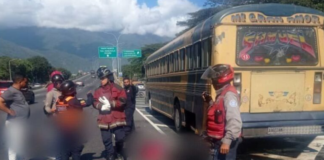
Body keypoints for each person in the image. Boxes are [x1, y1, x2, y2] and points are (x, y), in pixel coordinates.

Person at [201, 64, 242, 160]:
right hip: (218, 140)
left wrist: (226, 142)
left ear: (220, 80)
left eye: (213, 80)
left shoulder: (229, 95)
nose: (212, 83)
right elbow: (219, 112)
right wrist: (209, 101)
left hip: (224, 140)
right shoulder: (222, 94)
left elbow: (234, 120)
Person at [93, 67, 127, 160]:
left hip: (117, 117)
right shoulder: (97, 91)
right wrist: (100, 106)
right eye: (100, 79)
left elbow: (123, 101)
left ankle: (119, 151)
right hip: (104, 118)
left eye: (103, 78)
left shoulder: (118, 88)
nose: (101, 81)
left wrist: (112, 103)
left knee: (120, 138)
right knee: (106, 140)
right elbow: (94, 102)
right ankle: (111, 154)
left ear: (108, 78)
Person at [53, 80, 93, 160]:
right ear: (71, 90)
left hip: (63, 130)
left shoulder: (59, 100)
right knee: (76, 151)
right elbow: (88, 103)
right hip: (74, 130)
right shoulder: (73, 101)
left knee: (64, 152)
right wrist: (90, 95)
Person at [0, 74, 29, 160]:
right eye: (25, 82)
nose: (26, 83)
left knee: (20, 145)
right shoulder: (11, 91)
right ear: (20, 82)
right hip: (15, 123)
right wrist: (8, 111)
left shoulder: (18, 91)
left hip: (20, 122)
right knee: (14, 146)